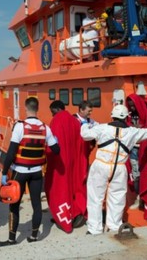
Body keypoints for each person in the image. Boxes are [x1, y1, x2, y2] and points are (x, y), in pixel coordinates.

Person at [81, 104, 147, 235]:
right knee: (117, 198)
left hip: (101, 165)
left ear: (112, 116)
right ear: (126, 117)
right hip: (119, 168)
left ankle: (95, 229)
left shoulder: (102, 128)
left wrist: (84, 123)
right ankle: (114, 226)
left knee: (95, 197)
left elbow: (85, 135)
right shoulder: (133, 131)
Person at [0, 97, 60, 246]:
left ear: (26, 108)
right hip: (37, 172)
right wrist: (55, 139)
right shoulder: (46, 128)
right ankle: (33, 236)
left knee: (14, 205)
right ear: (37, 109)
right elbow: (56, 150)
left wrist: (4, 173)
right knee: (37, 204)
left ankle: (12, 239)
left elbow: (11, 153)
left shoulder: (20, 126)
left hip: (20, 171)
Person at [46, 100, 86, 233]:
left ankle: (63, 216)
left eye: (52, 112)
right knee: (74, 188)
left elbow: (53, 144)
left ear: (57, 109)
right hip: (74, 162)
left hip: (60, 163)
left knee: (59, 189)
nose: (52, 115)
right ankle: (74, 212)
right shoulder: (75, 122)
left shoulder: (56, 121)